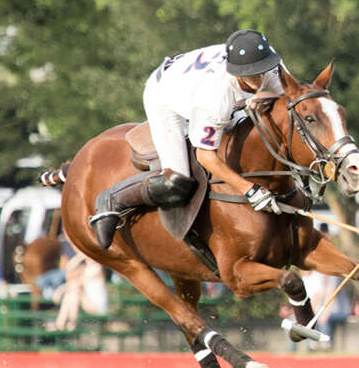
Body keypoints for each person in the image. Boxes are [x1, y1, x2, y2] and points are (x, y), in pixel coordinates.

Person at [90, 29, 287, 249]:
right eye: (252, 74)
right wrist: (249, 189)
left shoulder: (271, 63)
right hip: (165, 95)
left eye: (262, 70)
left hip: (195, 78)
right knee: (177, 180)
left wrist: (265, 96)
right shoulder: (215, 97)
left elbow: (288, 101)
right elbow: (205, 155)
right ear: (237, 73)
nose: (260, 79)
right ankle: (112, 199)